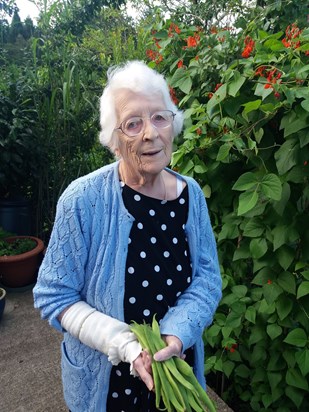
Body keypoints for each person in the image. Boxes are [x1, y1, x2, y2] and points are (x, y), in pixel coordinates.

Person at [33, 60, 222, 412]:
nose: (150, 133)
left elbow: (207, 280)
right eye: (133, 123)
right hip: (107, 388)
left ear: (172, 125)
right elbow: (54, 296)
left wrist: (176, 335)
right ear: (114, 140)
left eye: (159, 117)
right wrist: (126, 345)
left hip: (174, 368)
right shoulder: (82, 199)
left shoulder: (190, 194)